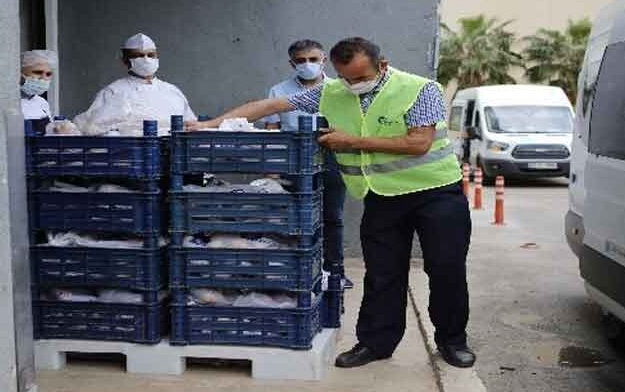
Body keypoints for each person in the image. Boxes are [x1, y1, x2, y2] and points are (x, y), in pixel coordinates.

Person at [187, 37, 475, 369]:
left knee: (445, 268)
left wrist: (350, 141)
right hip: (382, 195)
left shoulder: (420, 89)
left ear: (382, 65)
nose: (352, 85)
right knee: (382, 273)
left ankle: (452, 341)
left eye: (359, 77)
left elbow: (419, 143)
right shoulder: (330, 91)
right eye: (345, 77)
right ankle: (375, 343)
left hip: (435, 191)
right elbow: (270, 106)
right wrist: (212, 124)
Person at [263, 39, 353, 289]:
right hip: (293, 160)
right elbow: (272, 129)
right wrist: (272, 170)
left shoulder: (341, 90)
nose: (308, 65)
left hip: (332, 159)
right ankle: (296, 271)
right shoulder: (279, 91)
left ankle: (335, 271)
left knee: (332, 216)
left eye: (313, 59)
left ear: (324, 60)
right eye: (301, 61)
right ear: (292, 63)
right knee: (296, 217)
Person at [74, 33, 196, 135]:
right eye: (139, 56)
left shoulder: (172, 91)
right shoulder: (113, 91)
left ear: (157, 57)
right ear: (125, 61)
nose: (146, 59)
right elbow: (89, 126)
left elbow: (191, 125)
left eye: (151, 55)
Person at [20, 49, 57, 120]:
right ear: (21, 73)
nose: (44, 78)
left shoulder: (42, 103)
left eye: (48, 74)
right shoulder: (10, 101)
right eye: (38, 72)